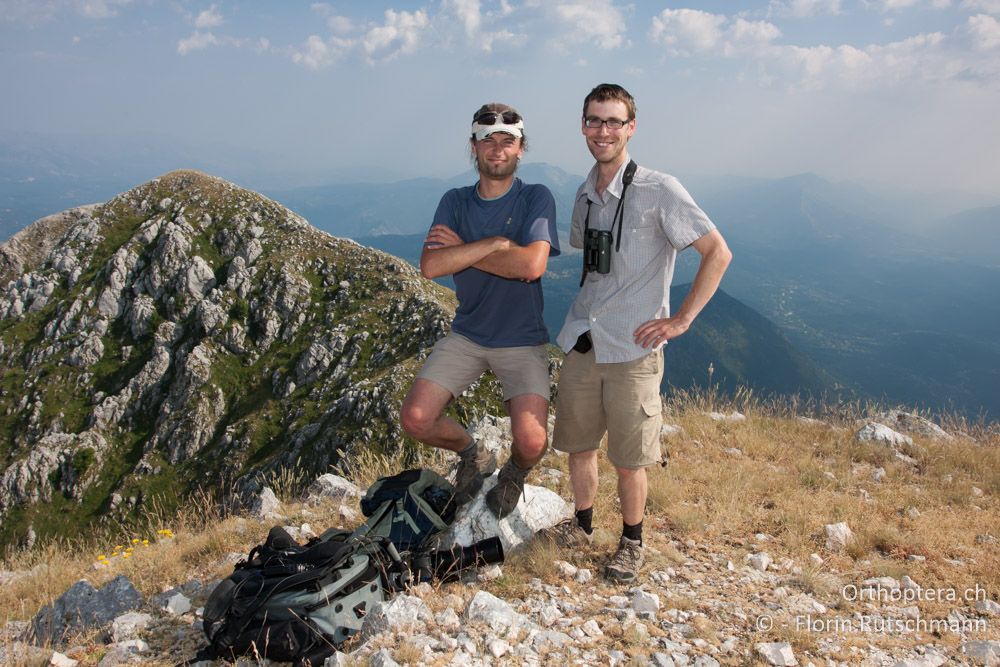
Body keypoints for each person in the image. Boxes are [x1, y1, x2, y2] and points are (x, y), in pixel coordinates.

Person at [544, 84, 732, 583]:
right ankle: (581, 526)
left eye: (613, 122)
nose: (602, 131)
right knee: (579, 446)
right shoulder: (583, 194)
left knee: (630, 457)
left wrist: (681, 320)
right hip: (584, 338)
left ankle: (632, 542)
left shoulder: (660, 189)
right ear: (582, 126)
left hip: (633, 346)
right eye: (594, 121)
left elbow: (718, 253)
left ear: (631, 127)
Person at [400, 103, 560, 518]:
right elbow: (431, 267)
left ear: (521, 149)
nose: (497, 149)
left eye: (508, 141)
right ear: (473, 147)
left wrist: (462, 252)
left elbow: (531, 266)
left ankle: (514, 473)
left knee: (531, 442)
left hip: (523, 338)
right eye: (488, 141)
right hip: (468, 334)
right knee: (416, 419)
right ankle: (474, 454)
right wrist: (495, 244)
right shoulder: (454, 201)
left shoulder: (535, 197)